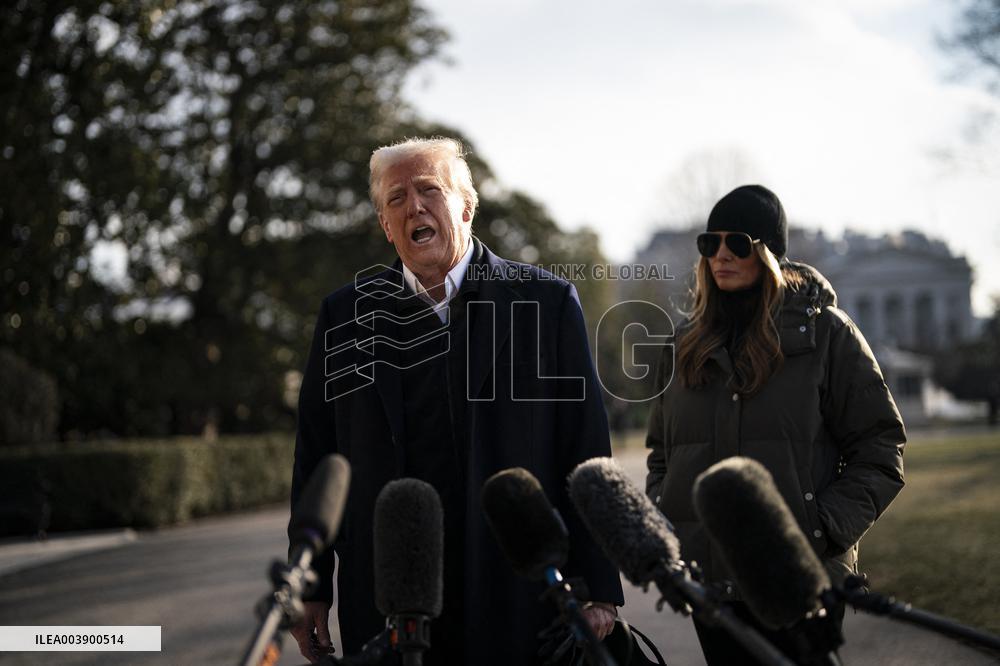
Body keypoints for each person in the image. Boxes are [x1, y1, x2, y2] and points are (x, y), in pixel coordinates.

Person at [289, 137, 624, 665]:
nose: (414, 207)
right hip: (388, 596)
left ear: (466, 206)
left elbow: (585, 449)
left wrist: (598, 585)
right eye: (396, 199)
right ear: (385, 225)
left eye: (429, 190)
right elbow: (316, 458)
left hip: (516, 591)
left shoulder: (547, 302)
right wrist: (309, 584)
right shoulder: (344, 317)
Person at [644, 185, 905, 664]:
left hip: (801, 581)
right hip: (710, 589)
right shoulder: (682, 345)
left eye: (737, 242)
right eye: (710, 242)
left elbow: (880, 447)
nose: (721, 255)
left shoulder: (828, 334)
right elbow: (662, 454)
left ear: (768, 253)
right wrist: (671, 521)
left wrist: (820, 530)